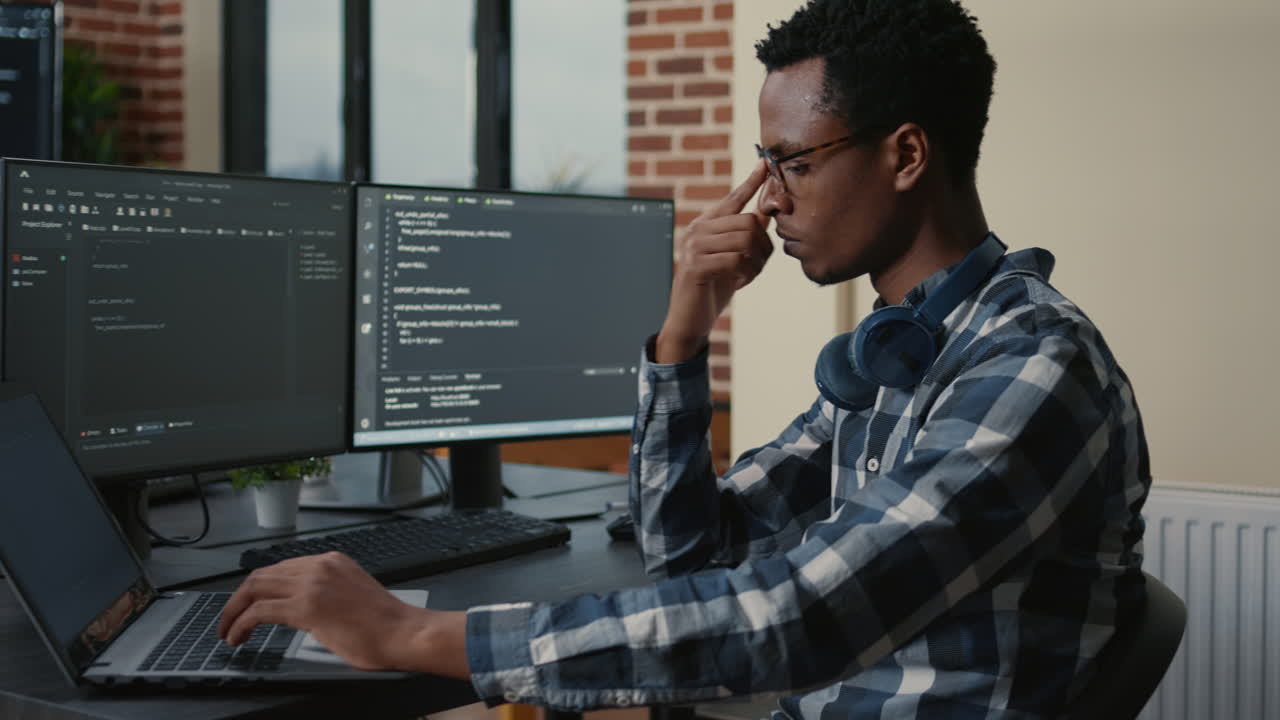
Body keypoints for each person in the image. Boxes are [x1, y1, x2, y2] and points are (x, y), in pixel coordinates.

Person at [219, 1, 1152, 717]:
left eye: (793, 162)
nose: (767, 200)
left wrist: (417, 632)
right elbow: (690, 554)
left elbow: (802, 616)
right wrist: (682, 338)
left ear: (905, 154)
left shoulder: (1029, 367)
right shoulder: (896, 355)